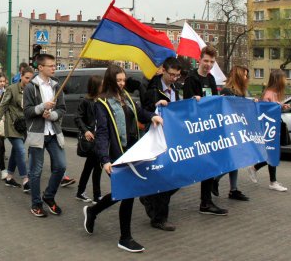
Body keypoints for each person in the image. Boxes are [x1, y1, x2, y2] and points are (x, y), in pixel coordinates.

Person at [82, 64, 163, 253]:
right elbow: (102, 133)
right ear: (110, 80)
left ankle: (93, 211)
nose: (122, 83)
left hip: (132, 152)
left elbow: (139, 113)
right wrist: (104, 159)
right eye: (118, 80)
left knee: (124, 191)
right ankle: (124, 238)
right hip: (114, 155)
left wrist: (152, 116)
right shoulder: (102, 103)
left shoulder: (125, 96)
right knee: (128, 192)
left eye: (123, 80)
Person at [182, 45, 228, 216]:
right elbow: (187, 106)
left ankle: (206, 202)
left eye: (212, 62)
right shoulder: (191, 79)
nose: (208, 64)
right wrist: (197, 102)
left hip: (209, 129)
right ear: (199, 60)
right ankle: (152, 197)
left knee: (209, 166)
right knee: (186, 168)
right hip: (195, 130)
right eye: (206, 61)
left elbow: (213, 102)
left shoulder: (210, 79)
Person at [139, 57, 182, 231]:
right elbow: (142, 113)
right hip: (154, 139)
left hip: (171, 137)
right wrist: (156, 107)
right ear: (163, 70)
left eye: (177, 75)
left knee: (178, 178)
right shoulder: (151, 87)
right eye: (171, 74)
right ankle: (159, 218)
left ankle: (148, 197)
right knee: (166, 178)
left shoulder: (176, 89)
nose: (174, 78)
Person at [23, 53, 67, 218]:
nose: (54, 68)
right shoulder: (30, 87)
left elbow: (62, 109)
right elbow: (27, 112)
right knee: (36, 171)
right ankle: (36, 203)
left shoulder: (57, 85)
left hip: (54, 132)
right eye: (51, 66)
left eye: (54, 66)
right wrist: (42, 107)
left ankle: (49, 196)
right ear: (40, 67)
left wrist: (53, 115)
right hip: (37, 134)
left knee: (61, 166)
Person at [212, 65, 252, 201]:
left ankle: (233, 189)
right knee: (234, 160)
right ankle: (215, 180)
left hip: (237, 130)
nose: (247, 78)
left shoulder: (240, 92)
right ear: (239, 76)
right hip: (229, 131)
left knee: (235, 160)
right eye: (245, 75)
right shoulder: (227, 91)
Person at [247, 69, 289, 192]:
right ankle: (269, 179)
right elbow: (265, 111)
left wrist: (281, 106)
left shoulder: (275, 93)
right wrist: (277, 106)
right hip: (269, 128)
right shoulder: (269, 94)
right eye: (283, 78)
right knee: (273, 152)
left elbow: (273, 109)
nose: (285, 80)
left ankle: (269, 178)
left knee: (273, 153)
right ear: (278, 80)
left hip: (274, 126)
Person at [0, 66, 34, 191]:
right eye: (26, 78)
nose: (28, 81)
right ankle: (25, 179)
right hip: (11, 125)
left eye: (31, 79)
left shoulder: (32, 90)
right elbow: (3, 106)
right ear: (21, 76)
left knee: (16, 152)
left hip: (24, 126)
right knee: (21, 151)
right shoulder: (11, 89)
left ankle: (9, 177)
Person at [74, 75, 103, 204]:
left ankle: (82, 192)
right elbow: (78, 117)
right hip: (92, 140)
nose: (104, 87)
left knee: (92, 167)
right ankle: (96, 195)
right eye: (101, 85)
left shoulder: (102, 101)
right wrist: (86, 131)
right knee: (96, 167)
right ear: (95, 86)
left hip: (100, 139)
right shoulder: (86, 101)